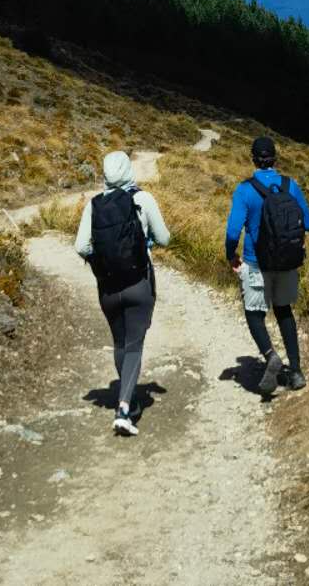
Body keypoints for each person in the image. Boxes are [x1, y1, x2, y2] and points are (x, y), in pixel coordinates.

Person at [75, 151, 170, 436]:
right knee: (135, 345)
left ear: (105, 174)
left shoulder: (94, 205)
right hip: (138, 283)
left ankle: (128, 398)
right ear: (129, 171)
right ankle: (124, 409)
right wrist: (144, 243)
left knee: (120, 343)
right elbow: (164, 238)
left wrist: (103, 261)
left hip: (108, 287)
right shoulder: (143, 199)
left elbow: (81, 246)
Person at [225, 134, 309, 395]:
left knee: (254, 314)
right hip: (287, 262)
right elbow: (308, 223)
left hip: (256, 263)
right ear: (275, 158)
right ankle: (295, 372)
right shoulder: (289, 185)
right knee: (284, 311)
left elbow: (233, 231)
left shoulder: (244, 190)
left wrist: (231, 255)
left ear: (253, 159)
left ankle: (270, 355)